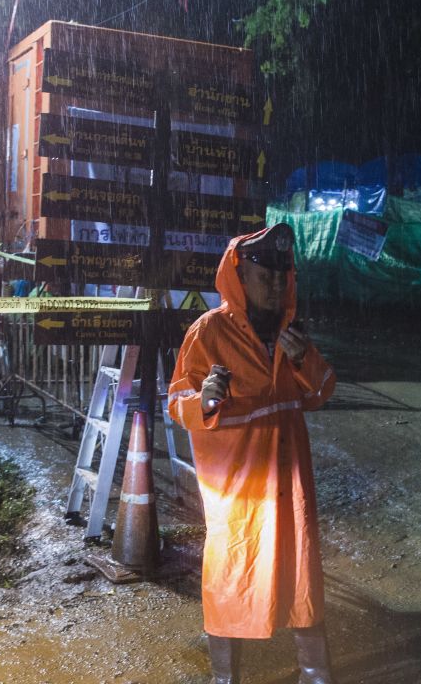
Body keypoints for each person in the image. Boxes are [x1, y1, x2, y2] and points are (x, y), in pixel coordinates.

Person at [168, 223, 339, 684]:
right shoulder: (208, 333)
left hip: (290, 481)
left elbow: (321, 392)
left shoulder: (290, 333)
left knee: (299, 569)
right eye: (265, 277)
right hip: (236, 488)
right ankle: (226, 677)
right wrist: (203, 400)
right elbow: (177, 403)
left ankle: (314, 671)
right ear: (239, 278)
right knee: (232, 571)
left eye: (282, 277)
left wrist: (304, 360)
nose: (276, 286)